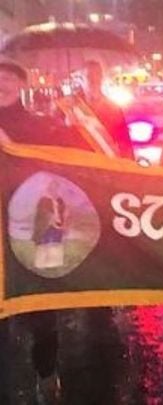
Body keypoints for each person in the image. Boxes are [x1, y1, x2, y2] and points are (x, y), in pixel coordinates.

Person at [0, 56, 92, 404]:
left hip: (35, 228)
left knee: (41, 305)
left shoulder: (39, 124)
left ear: (22, 84)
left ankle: (46, 371)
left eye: (10, 77)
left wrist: (73, 122)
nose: (3, 83)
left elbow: (73, 155)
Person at [79, 60, 134, 160]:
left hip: (104, 166)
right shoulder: (72, 107)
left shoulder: (113, 109)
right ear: (81, 80)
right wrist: (66, 125)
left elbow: (125, 143)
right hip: (79, 164)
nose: (94, 80)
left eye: (98, 75)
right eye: (89, 76)